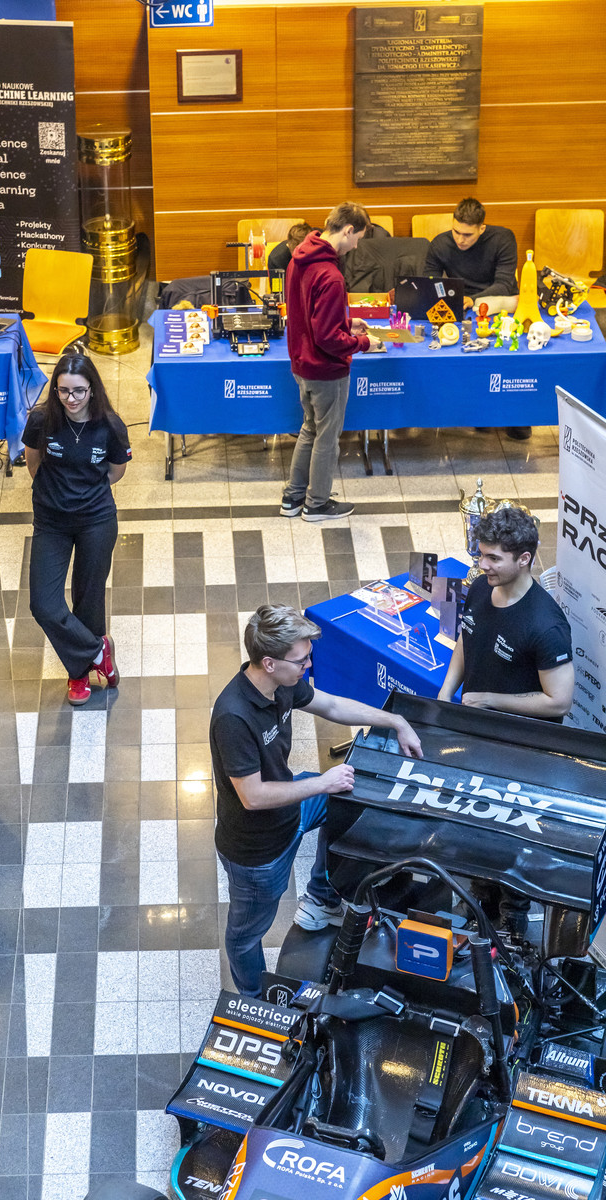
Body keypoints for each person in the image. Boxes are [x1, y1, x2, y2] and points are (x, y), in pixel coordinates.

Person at [211, 604, 423, 997]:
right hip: (258, 851)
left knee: (347, 799)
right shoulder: (234, 716)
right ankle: (255, 1002)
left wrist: (397, 721)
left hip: (290, 810)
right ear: (270, 663)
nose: (309, 666)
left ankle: (323, 898)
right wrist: (323, 782)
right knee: (245, 935)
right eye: (302, 660)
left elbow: (332, 706)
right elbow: (253, 796)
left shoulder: (281, 684)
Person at [437, 506, 573, 936]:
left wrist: (490, 700)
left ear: (524, 558)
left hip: (521, 754)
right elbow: (467, 638)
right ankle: (479, 898)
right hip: (477, 738)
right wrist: (446, 693)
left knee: (509, 838)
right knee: (476, 826)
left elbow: (558, 701)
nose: (483, 564)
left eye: (493, 557)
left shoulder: (545, 624)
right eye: (482, 554)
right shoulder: (481, 587)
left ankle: (512, 919)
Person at [22, 352, 131, 706]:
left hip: (96, 520)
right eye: (64, 391)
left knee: (89, 597)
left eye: (79, 391)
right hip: (51, 521)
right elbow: (34, 463)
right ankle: (98, 651)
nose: (71, 399)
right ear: (55, 390)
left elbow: (115, 472)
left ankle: (79, 673)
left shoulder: (110, 426)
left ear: (92, 389)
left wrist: (84, 494)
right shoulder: (41, 420)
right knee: (44, 604)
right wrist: (57, 494)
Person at [280, 203, 381, 523]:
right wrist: (364, 343)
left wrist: (345, 323)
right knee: (326, 437)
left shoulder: (298, 259)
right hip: (326, 371)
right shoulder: (331, 275)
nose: (356, 246)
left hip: (301, 363)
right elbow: (327, 339)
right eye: (358, 239)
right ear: (348, 230)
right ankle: (317, 504)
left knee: (310, 429)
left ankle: (293, 497)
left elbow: (306, 315)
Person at [424, 198, 527, 440]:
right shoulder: (440, 244)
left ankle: (517, 415)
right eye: (456, 232)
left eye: (468, 235)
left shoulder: (503, 239)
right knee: (464, 358)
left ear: (482, 228)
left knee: (508, 356)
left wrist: (473, 299)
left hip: (498, 303)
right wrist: (448, 296)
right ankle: (478, 411)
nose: (460, 239)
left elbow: (504, 283)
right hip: (461, 303)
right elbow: (430, 282)